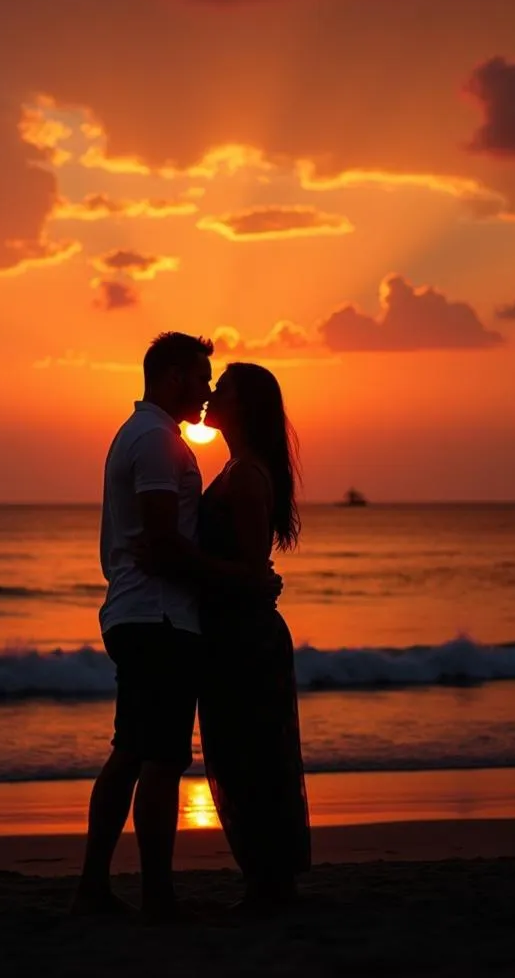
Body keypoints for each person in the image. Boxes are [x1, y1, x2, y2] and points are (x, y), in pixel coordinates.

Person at [73, 333, 279, 921]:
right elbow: (162, 544)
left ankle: (96, 888)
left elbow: (161, 541)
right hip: (157, 617)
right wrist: (242, 577)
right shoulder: (159, 442)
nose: (208, 388)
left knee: (135, 752)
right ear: (171, 379)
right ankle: (153, 896)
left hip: (144, 614)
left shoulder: (145, 436)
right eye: (200, 376)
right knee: (159, 760)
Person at [195, 362, 311, 913]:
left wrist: (176, 557)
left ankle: (269, 884)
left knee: (250, 758)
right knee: (244, 755)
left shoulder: (244, 475)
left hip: (244, 636)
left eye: (224, 388)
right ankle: (266, 881)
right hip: (234, 633)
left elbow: (247, 570)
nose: (212, 392)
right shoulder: (238, 468)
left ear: (243, 405)